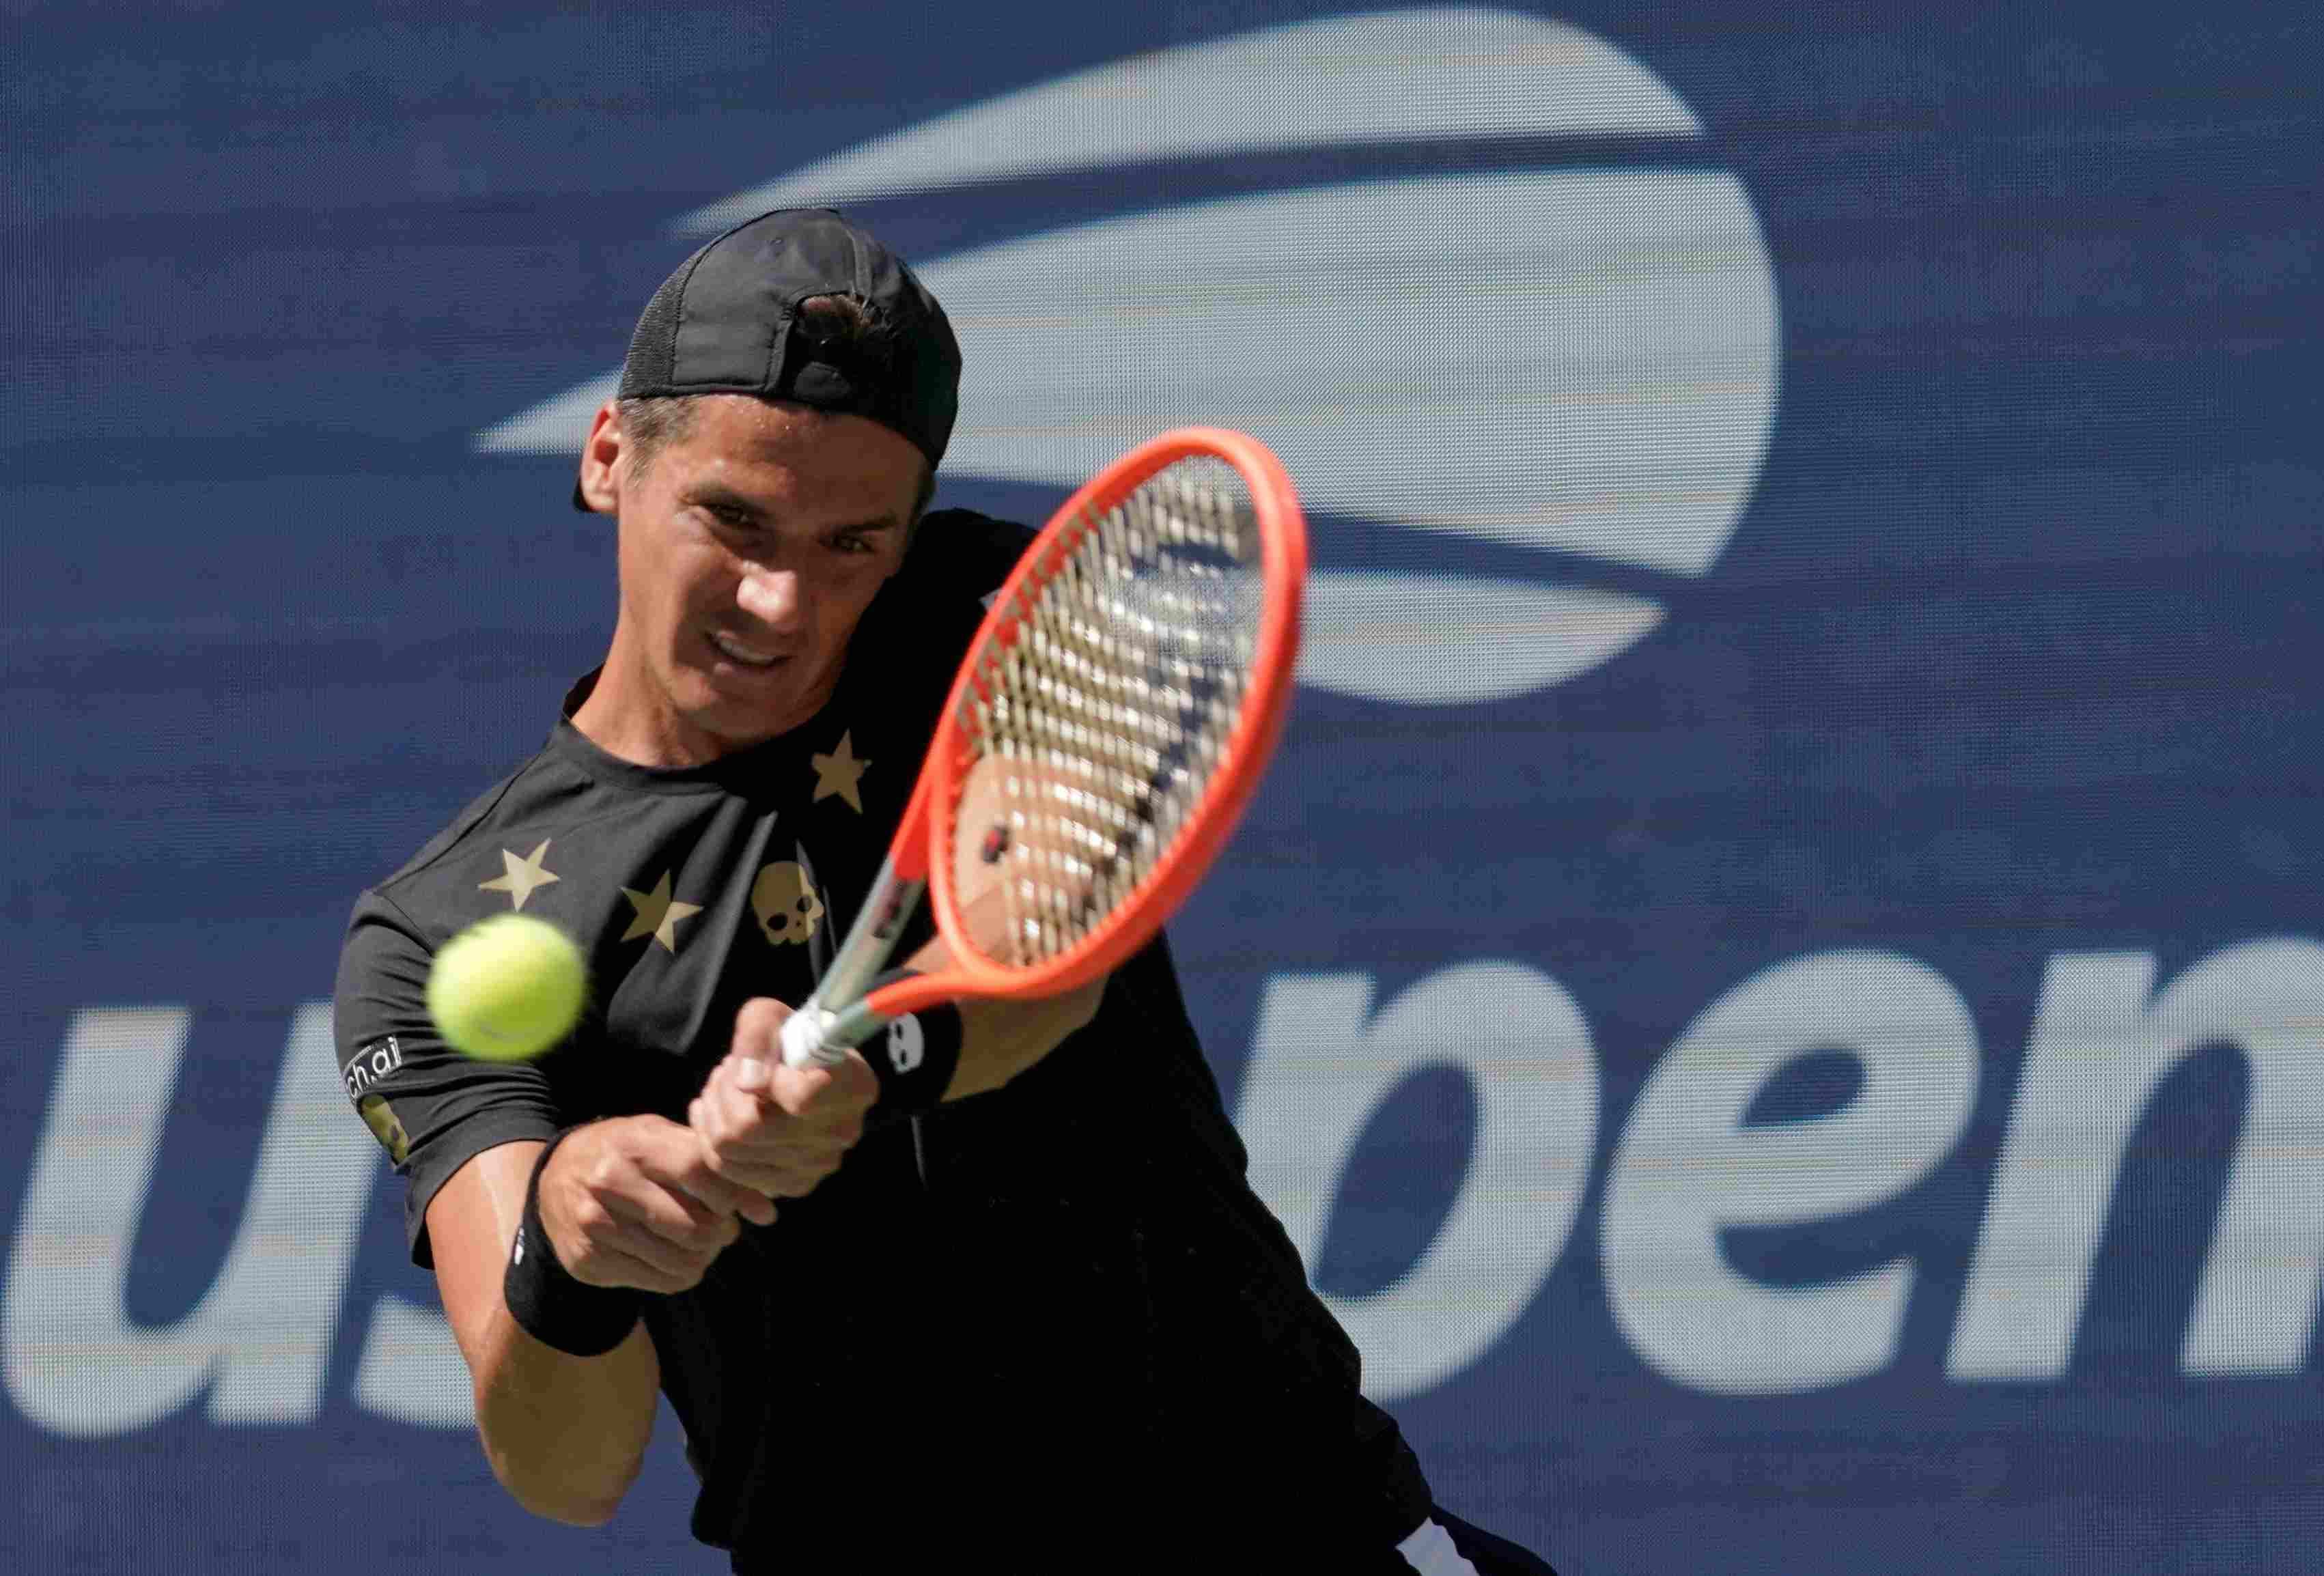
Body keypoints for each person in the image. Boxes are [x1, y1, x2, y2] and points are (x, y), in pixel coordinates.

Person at [331, 208, 1559, 1574]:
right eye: (734, 519)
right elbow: (563, 1468)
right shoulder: (437, 930)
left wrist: (864, 1063)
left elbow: (1043, 970)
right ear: (612, 456)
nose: (782, 601)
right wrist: (572, 1238)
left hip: (1283, 1526)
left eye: (851, 543)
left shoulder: (990, 615)